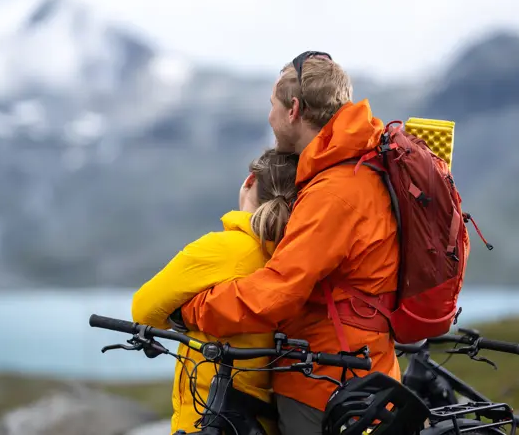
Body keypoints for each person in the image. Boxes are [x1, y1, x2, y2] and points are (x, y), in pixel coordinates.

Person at [176, 52, 401, 435]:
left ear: (294, 109)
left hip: (327, 381)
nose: (270, 116)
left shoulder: (335, 192)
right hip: (371, 368)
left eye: (272, 106)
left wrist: (194, 311)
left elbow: (278, 292)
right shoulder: (366, 165)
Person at [131, 148, 299, 435]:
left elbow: (143, 309)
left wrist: (185, 312)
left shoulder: (222, 249)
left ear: (249, 181)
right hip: (262, 421)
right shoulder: (292, 259)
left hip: (207, 416)